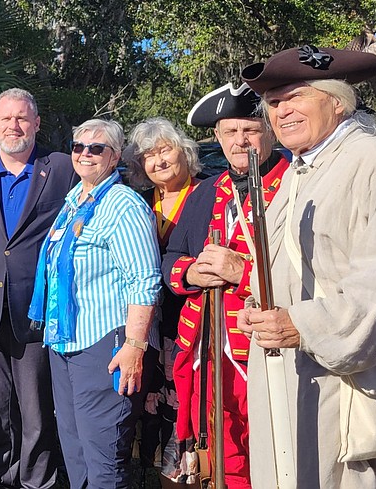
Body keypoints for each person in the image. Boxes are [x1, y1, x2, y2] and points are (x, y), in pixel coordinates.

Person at [238, 45, 376, 486]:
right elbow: (280, 270)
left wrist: (301, 325)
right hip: (286, 373)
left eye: (296, 96)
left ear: (337, 101)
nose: (282, 111)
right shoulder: (298, 172)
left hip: (349, 382)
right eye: (273, 102)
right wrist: (257, 309)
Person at [162, 83, 289, 488]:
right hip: (208, 346)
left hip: (264, 345)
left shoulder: (293, 183)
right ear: (217, 137)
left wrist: (242, 271)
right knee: (220, 452)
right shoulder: (205, 191)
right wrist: (191, 273)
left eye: (250, 130)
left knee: (273, 449)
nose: (240, 141)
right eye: (230, 131)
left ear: (270, 131)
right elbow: (172, 258)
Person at [27, 119, 161, 488]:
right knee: (76, 453)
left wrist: (134, 346)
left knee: (103, 458)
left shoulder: (123, 205)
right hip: (65, 342)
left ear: (115, 156)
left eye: (96, 148)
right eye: (78, 146)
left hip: (105, 345)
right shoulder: (75, 201)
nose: (85, 154)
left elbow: (144, 281)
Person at [0, 88, 75, 489]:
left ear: (36, 123)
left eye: (22, 118)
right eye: (6, 119)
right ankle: (4, 475)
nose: (14, 126)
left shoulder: (61, 167)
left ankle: (38, 479)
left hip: (37, 307)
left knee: (36, 404)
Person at [122, 117, 202, 480]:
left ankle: (191, 471)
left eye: (165, 150)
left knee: (187, 396)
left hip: (191, 316)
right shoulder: (140, 202)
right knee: (151, 399)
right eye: (149, 156)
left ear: (183, 151)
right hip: (149, 320)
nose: (159, 161)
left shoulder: (207, 194)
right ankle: (151, 470)